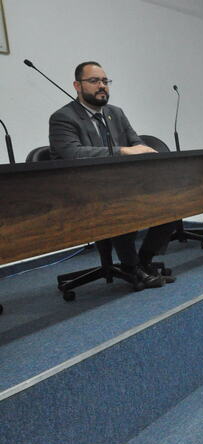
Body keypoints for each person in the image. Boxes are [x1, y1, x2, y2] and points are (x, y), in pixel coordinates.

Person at [49, 61, 174, 290]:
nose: (102, 86)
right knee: (121, 205)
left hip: (120, 185)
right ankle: (131, 267)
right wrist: (122, 151)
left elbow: (136, 143)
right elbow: (72, 154)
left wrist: (141, 150)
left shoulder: (115, 113)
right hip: (82, 192)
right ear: (77, 85)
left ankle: (144, 261)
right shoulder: (63, 118)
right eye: (94, 81)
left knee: (172, 203)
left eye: (105, 81)